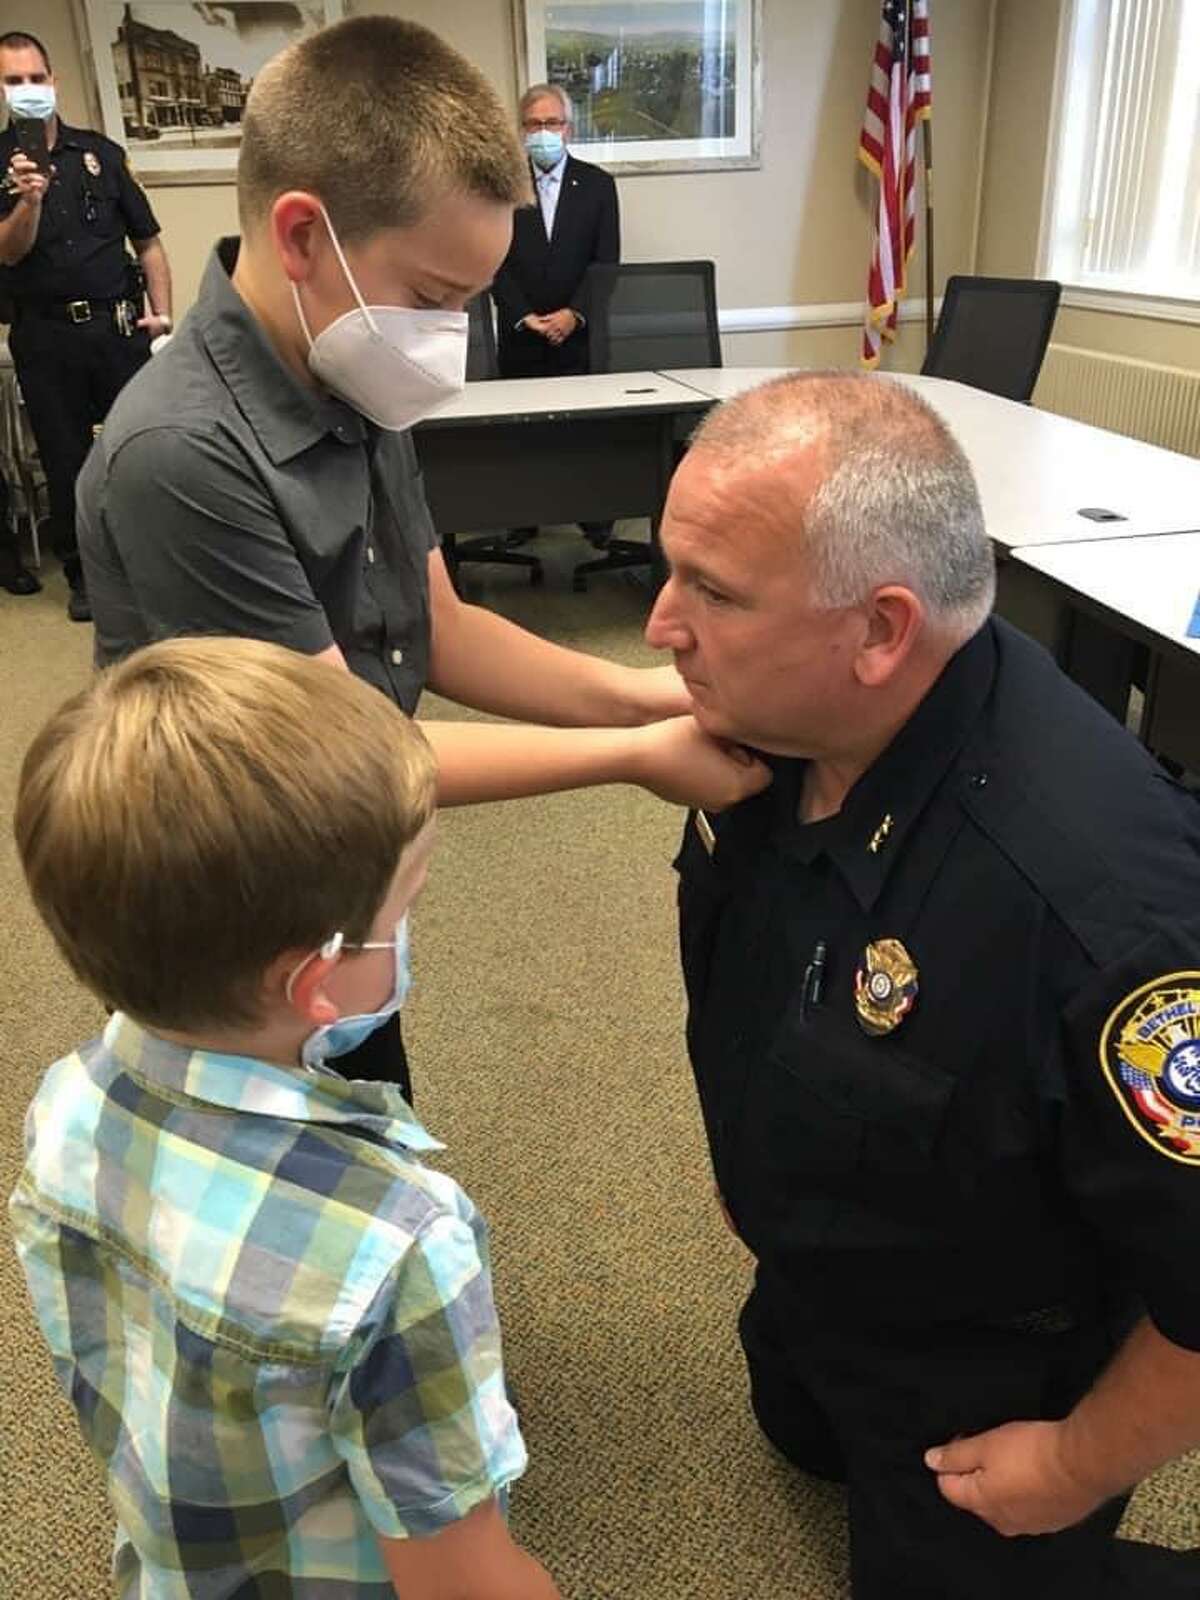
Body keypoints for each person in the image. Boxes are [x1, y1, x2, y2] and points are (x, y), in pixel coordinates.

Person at [76, 16, 767, 1099]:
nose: (449, 333)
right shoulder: (182, 454)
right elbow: (346, 762)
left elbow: (439, 625)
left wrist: (646, 696)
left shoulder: (351, 364)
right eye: (438, 298)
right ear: (304, 235)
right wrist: (640, 755)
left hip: (339, 903)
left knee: (371, 1100)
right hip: (231, 947)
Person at [646, 371, 1200, 1599]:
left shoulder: (1101, 919)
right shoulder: (779, 729)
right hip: (824, 1269)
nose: (658, 626)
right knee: (794, 1426)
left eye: (715, 594)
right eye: (669, 567)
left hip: (992, 1352)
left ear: (881, 630)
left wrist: (1070, 1463)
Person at [11, 634, 563, 1599]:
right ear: (316, 981)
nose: (411, 927)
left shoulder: (62, 1106)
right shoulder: (399, 1246)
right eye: (408, 904)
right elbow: (464, 1585)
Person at [0, 30, 172, 621]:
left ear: (54, 81)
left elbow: (148, 243)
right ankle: (85, 577)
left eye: (34, 78)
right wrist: (30, 201)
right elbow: (7, 254)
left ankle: (152, 564)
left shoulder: (103, 153)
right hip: (45, 338)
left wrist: (162, 314)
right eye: (13, 81)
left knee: (139, 452)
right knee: (67, 458)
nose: (27, 90)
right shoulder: (1, 165)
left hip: (119, 329)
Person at [490, 81, 619, 551]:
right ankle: (522, 516)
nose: (543, 132)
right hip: (522, 334)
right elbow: (493, 263)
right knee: (524, 435)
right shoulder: (501, 188)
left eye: (552, 123)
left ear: (569, 128)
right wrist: (525, 317)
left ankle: (592, 516)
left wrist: (574, 314)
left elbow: (606, 262)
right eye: (534, 124)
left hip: (578, 336)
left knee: (582, 432)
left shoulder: (599, 186)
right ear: (521, 130)